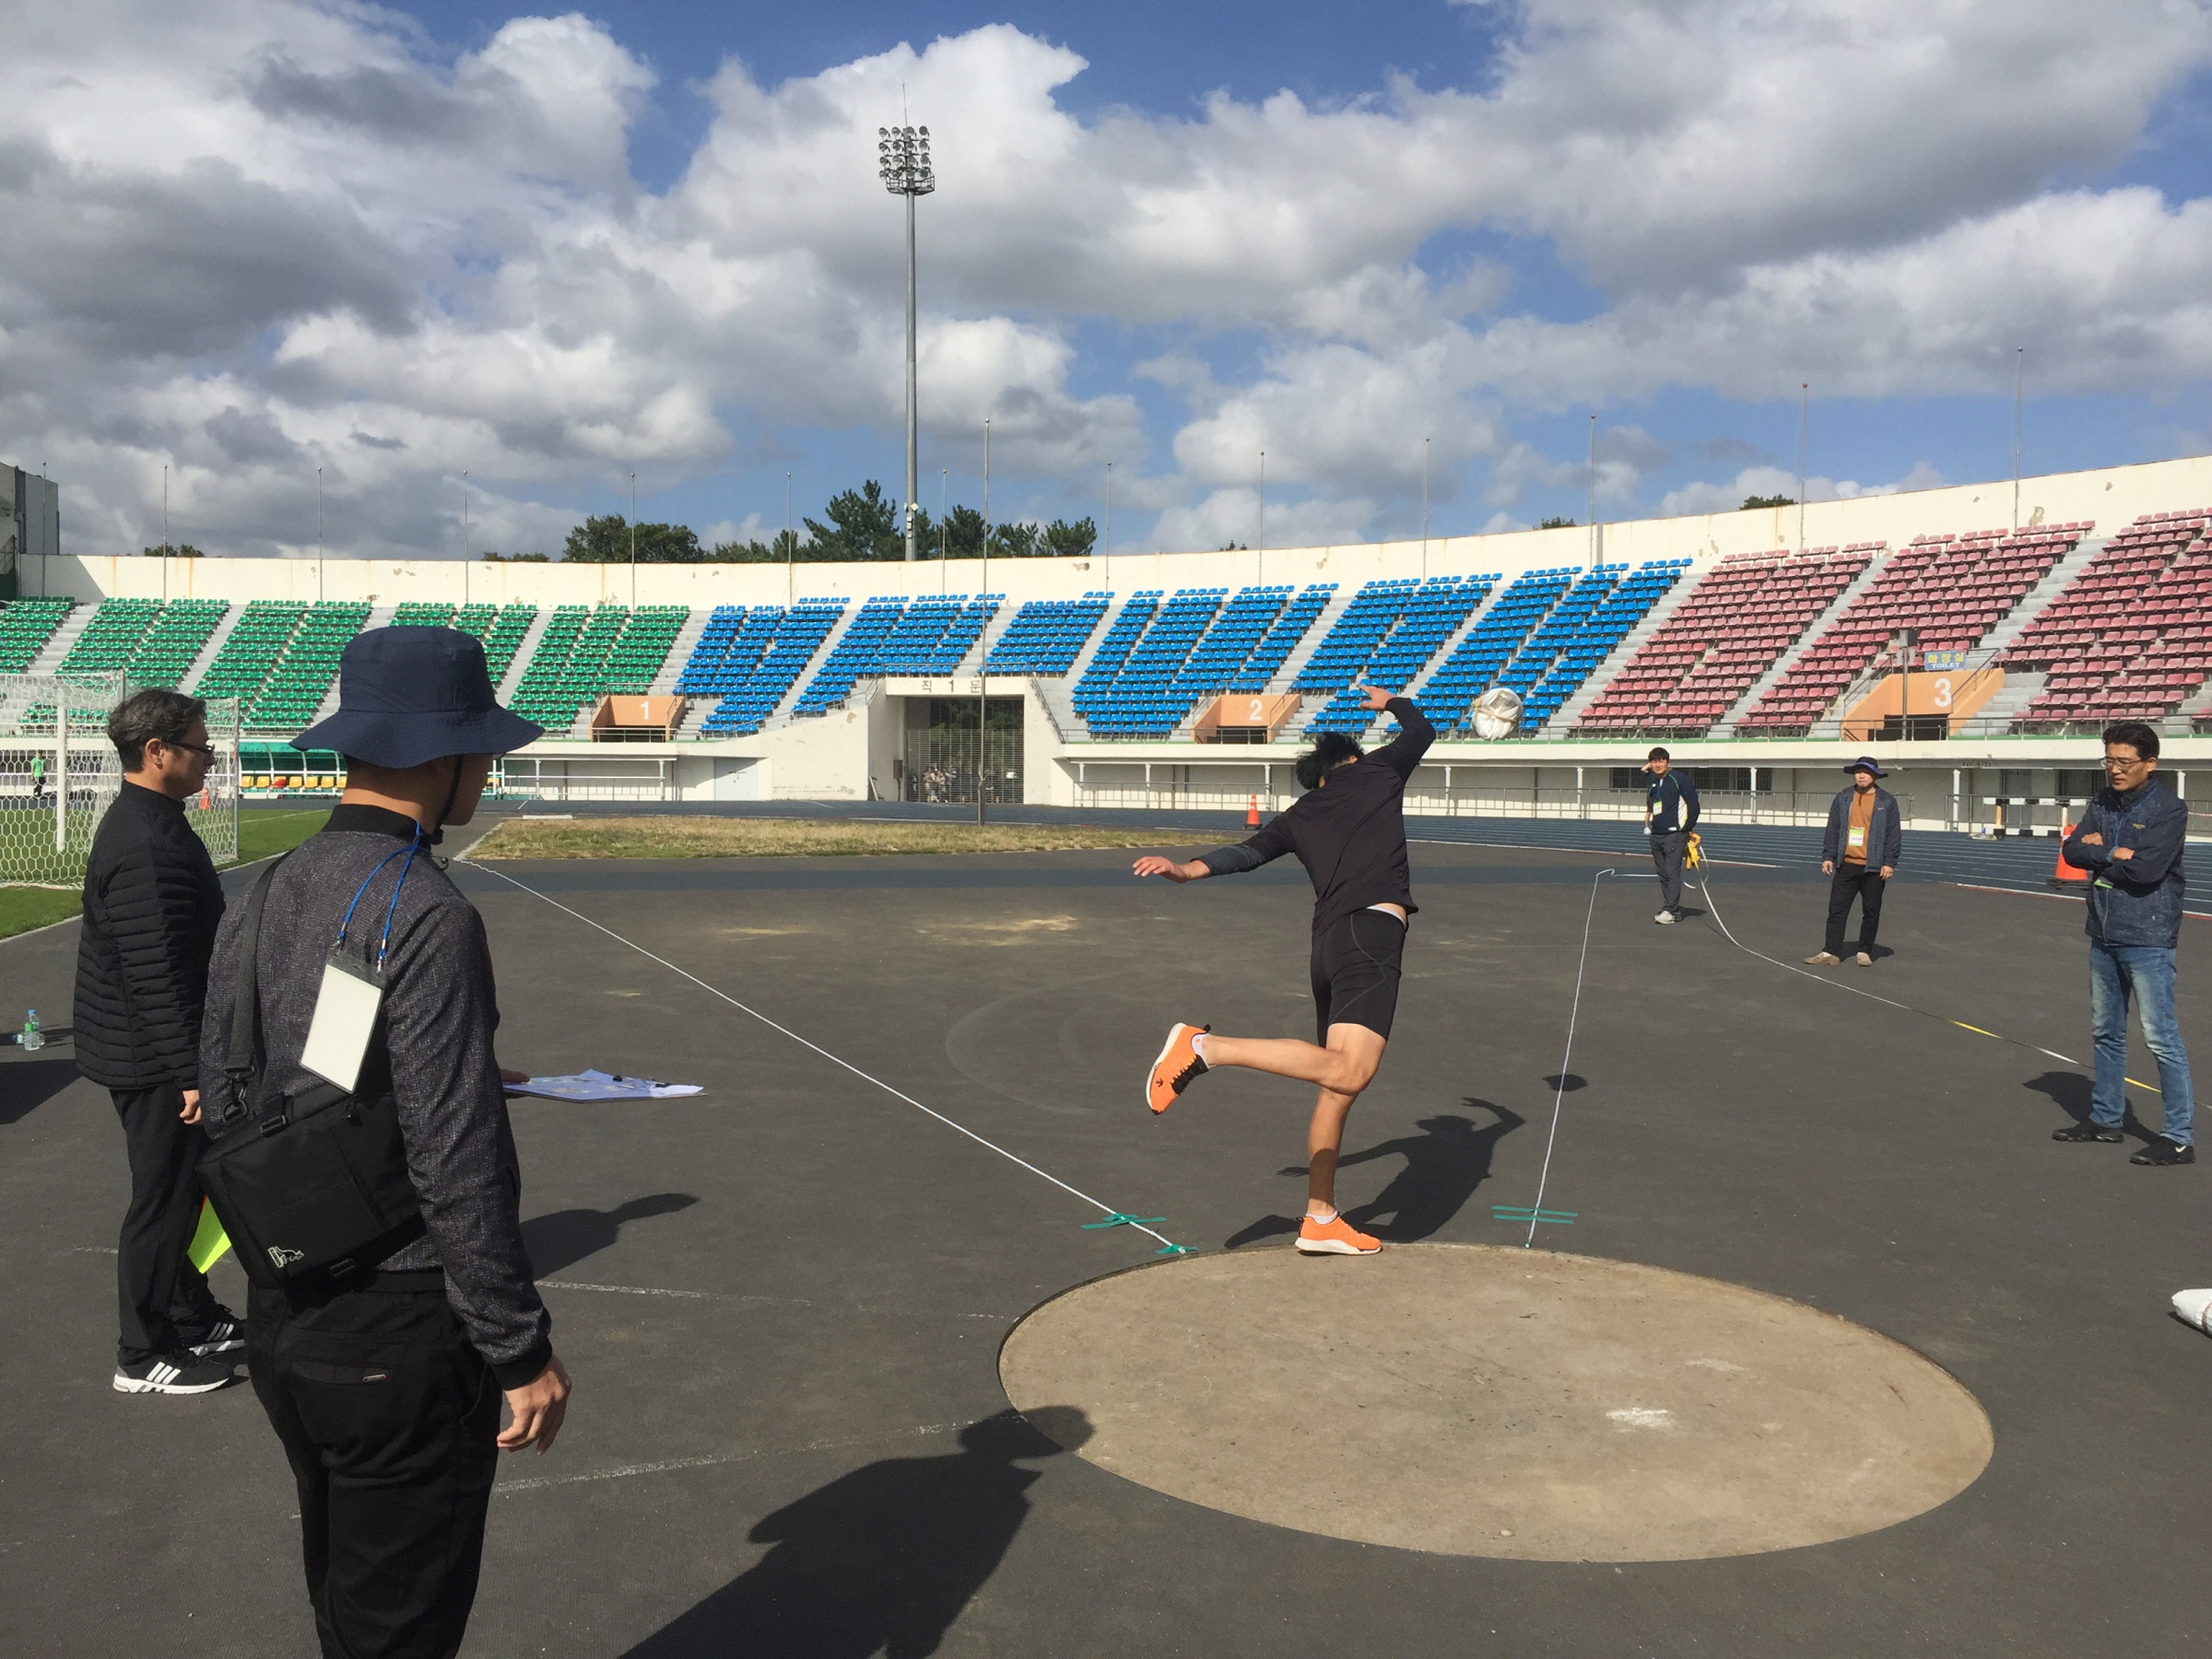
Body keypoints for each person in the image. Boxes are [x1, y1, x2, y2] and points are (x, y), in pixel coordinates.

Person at [201, 627, 571, 1656]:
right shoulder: (429, 912)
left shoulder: (265, 890)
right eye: (481, 752)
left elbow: (232, 1079)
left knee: (347, 1603)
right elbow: (457, 1162)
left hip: (283, 1306)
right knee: (399, 1628)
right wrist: (517, 1347)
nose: (487, 773)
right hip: (401, 1331)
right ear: (441, 757)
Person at [1134, 687, 1432, 1257]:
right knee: (1351, 1073)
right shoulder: (1376, 772)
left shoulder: (1299, 815)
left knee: (1334, 1085)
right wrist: (1392, 701)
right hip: (1369, 934)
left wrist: (1186, 870)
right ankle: (1205, 1048)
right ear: (1349, 759)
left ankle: (1320, 1218)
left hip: (1328, 945)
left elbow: (1246, 852)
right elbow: (1421, 733)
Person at [75, 688, 238, 1394]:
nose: (210, 756)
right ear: (157, 752)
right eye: (201, 746)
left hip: (152, 1050)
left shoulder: (155, 821)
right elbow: (158, 976)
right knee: (164, 1201)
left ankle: (187, 1312)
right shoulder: (144, 841)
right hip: (153, 1059)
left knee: (190, 1192)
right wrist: (189, 1075)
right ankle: (141, 1354)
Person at [2050, 721, 2196, 1166]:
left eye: (2124, 762)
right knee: (2106, 1032)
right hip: (2103, 932)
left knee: (2160, 1037)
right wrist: (2113, 852)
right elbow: (2073, 852)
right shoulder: (2101, 801)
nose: (2114, 769)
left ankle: (2178, 1136)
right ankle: (2107, 1119)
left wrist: (2100, 850)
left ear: (2149, 764)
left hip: (2148, 936)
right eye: (2109, 760)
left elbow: (2148, 871)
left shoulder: (2169, 809)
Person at [1805, 757, 1901, 967]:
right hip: (1846, 863)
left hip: (1874, 867)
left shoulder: (1886, 801)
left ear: (1875, 775)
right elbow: (1833, 828)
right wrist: (1828, 856)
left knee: (1871, 911)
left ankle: (1865, 951)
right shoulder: (1844, 797)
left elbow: (1893, 834)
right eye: (1858, 771)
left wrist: (1889, 862)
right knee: (1837, 910)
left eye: (1866, 772)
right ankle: (1831, 951)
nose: (1861, 775)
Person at [1642, 747, 1699, 924]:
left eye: (1661, 761)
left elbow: (1694, 806)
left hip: (1675, 834)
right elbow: (1645, 771)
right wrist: (1648, 768)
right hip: (1657, 833)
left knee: (1672, 872)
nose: (1657, 765)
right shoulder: (1653, 780)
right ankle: (1672, 910)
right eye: (1654, 761)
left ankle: (1670, 910)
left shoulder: (1679, 779)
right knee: (1663, 873)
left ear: (1668, 762)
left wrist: (1687, 827)